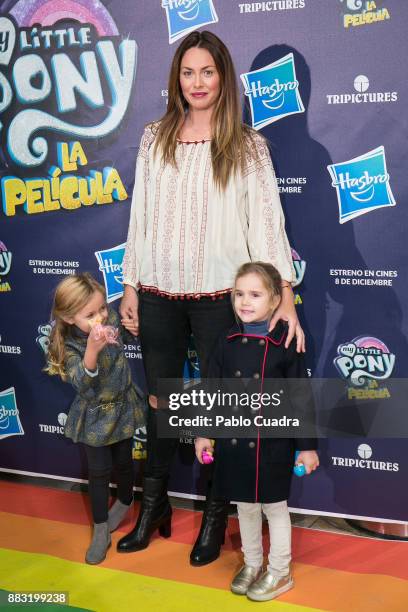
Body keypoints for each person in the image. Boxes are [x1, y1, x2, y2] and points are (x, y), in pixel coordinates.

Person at [118, 30, 305, 565]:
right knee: (162, 404)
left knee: (221, 412)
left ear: (223, 76)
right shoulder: (154, 137)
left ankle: (215, 521)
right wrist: (129, 283)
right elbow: (141, 218)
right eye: (187, 72)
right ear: (176, 79)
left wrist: (285, 294)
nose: (197, 82)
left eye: (207, 71)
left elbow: (268, 224)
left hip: (220, 297)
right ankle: (152, 508)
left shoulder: (247, 145)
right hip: (156, 293)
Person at [195, 262, 319, 600]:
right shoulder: (227, 339)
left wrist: (307, 447)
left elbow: (301, 396)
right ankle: (252, 563)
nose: (244, 302)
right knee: (245, 507)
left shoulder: (286, 340)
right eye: (238, 294)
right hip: (235, 441)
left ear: (276, 299)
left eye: (255, 294)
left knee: (274, 508)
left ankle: (279, 571)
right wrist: (203, 433)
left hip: (273, 444)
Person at [46, 273, 145, 565]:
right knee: (99, 473)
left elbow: (126, 335)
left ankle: (126, 500)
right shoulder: (71, 345)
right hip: (95, 416)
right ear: (68, 317)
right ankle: (100, 530)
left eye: (102, 308)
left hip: (124, 407)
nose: (101, 317)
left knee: (125, 463)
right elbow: (81, 383)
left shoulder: (109, 317)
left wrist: (132, 328)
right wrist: (92, 348)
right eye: (90, 314)